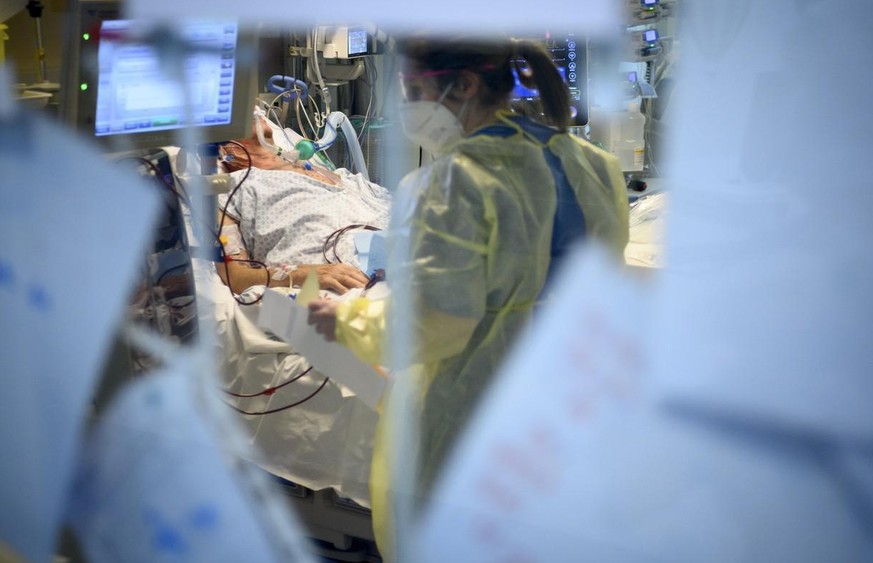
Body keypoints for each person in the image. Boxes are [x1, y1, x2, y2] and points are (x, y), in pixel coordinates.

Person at [307, 35, 629, 558]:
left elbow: (434, 323)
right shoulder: (592, 164)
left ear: (464, 85)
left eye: (412, 90)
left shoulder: (448, 185)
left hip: (477, 423)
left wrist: (346, 323)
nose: (408, 106)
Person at [215, 118, 390, 295]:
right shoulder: (231, 188)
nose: (254, 111)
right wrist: (305, 274)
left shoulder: (332, 174)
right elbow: (236, 276)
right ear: (226, 148)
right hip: (354, 284)